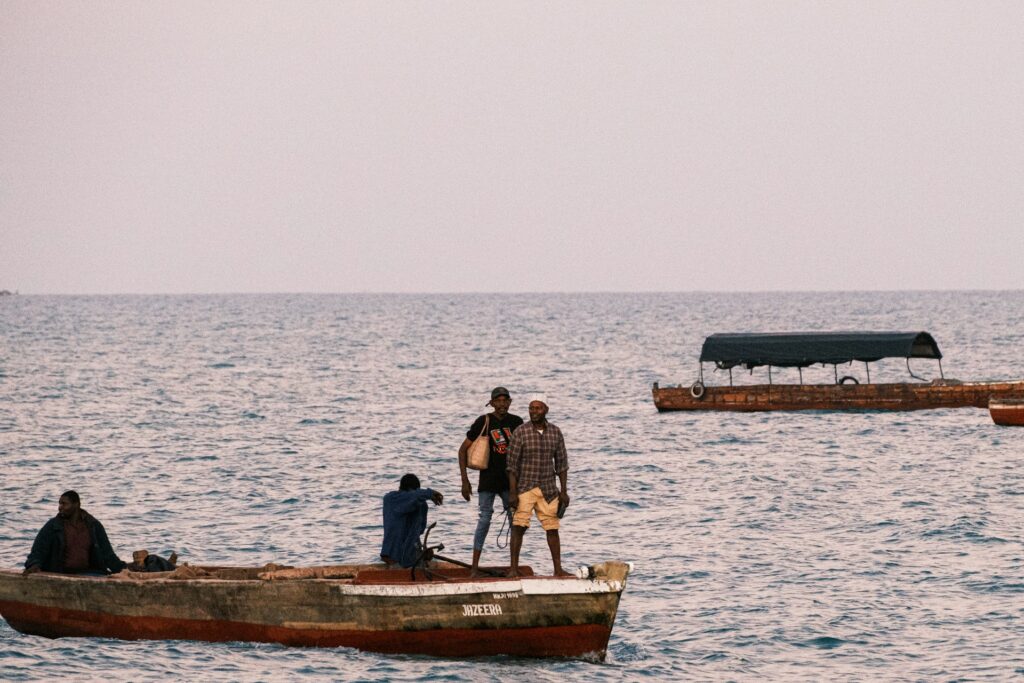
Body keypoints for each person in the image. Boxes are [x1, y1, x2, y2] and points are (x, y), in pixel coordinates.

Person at [458, 386, 524, 576]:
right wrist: (465, 481)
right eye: (498, 401)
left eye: (505, 401)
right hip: (488, 480)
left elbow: (524, 453)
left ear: (510, 402)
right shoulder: (483, 421)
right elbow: (462, 450)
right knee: (484, 520)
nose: (502, 404)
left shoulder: (517, 422)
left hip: (510, 483)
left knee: (516, 523)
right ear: (492, 403)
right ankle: (474, 569)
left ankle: (513, 568)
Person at [506, 396, 570, 577]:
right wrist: (512, 492)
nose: (533, 412)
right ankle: (513, 569)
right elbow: (511, 465)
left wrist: (564, 491)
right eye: (531, 408)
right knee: (519, 527)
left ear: (546, 410)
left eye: (537, 408)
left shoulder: (555, 432)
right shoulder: (521, 432)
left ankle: (558, 569)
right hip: (525, 487)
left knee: (552, 528)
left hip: (548, 489)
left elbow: (562, 464)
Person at [23, 490, 127, 575]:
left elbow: (107, 554)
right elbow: (38, 551)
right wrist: (34, 565)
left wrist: (124, 569)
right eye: (59, 504)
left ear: (76, 505)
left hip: (90, 573)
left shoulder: (93, 525)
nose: (60, 507)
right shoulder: (53, 526)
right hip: (60, 573)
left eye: (64, 504)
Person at [380, 474, 444, 568]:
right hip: (393, 557)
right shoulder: (392, 499)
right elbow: (412, 496)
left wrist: (423, 553)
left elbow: (419, 531)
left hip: (409, 556)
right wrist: (431, 493)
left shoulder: (421, 505)